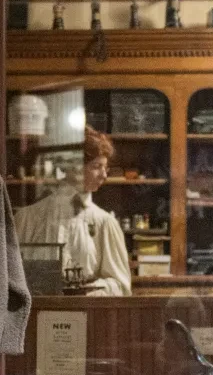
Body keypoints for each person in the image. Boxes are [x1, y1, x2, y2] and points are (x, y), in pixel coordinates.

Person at [13, 126, 132, 296]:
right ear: (73, 167)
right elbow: (10, 277)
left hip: (89, 316)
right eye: (97, 166)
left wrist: (86, 293)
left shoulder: (105, 223)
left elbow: (121, 285)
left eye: (106, 168)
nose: (104, 175)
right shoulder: (26, 219)